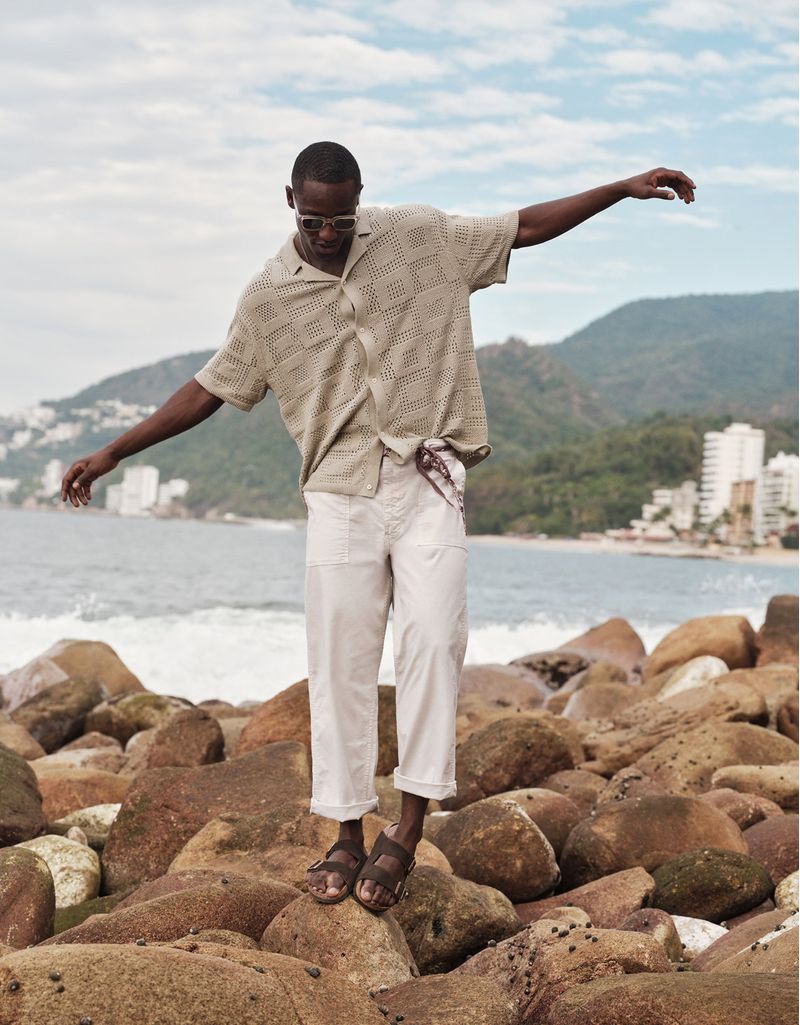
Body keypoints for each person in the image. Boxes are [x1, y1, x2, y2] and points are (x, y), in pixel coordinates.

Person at [61, 141, 696, 913]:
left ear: (360, 197)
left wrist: (622, 189)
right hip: (339, 493)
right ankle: (345, 831)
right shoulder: (268, 297)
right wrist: (113, 452)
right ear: (289, 201)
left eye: (342, 217)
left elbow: (521, 227)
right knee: (339, 661)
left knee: (432, 638)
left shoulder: (419, 236)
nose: (329, 233)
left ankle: (408, 825)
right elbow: (209, 388)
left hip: (428, 476)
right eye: (313, 219)